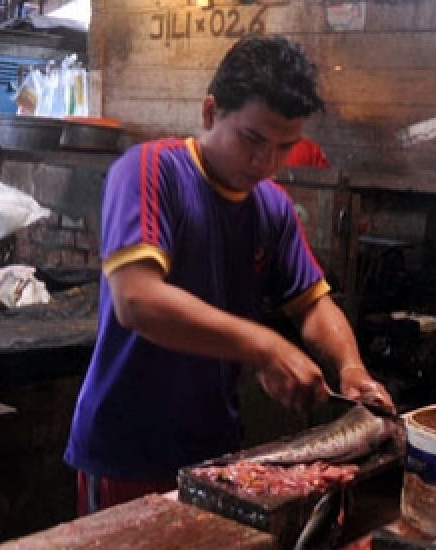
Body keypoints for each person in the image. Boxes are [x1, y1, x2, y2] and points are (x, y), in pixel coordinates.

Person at [65, 35, 391, 516]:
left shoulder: (272, 207)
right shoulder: (149, 170)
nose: (266, 163)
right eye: (252, 140)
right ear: (210, 111)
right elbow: (136, 300)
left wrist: (351, 367)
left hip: (218, 456)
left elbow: (314, 304)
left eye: (285, 147)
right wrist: (265, 346)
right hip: (127, 453)